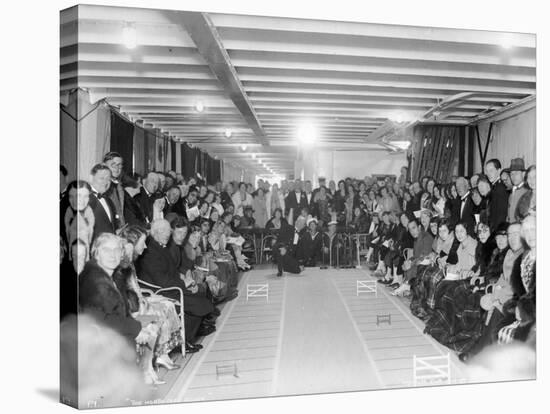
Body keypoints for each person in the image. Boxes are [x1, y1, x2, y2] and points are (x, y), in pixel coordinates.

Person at [78, 233, 161, 385]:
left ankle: (144, 373)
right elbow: (100, 320)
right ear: (96, 253)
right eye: (106, 250)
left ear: (122, 253)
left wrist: (140, 328)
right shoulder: (92, 280)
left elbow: (123, 313)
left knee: (151, 325)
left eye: (117, 250)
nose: (112, 254)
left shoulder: (116, 276)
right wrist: (136, 329)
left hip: (114, 334)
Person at [115, 225, 189, 366]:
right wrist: (145, 301)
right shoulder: (122, 266)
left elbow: (135, 288)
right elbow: (128, 295)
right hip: (131, 310)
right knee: (158, 314)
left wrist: (147, 299)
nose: (145, 247)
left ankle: (163, 353)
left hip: (137, 300)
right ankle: (157, 356)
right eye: (142, 243)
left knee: (167, 304)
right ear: (133, 243)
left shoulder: (130, 263)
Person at [135, 219, 217, 343]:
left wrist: (184, 281)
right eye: (166, 232)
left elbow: (172, 270)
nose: (168, 235)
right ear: (157, 232)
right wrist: (183, 284)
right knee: (196, 299)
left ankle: (190, 335)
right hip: (160, 289)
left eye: (169, 232)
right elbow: (161, 280)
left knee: (198, 294)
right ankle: (185, 340)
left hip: (169, 284)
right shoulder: (151, 252)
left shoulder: (160, 246)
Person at [63, 180, 94, 256]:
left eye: (85, 196)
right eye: (72, 196)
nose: (79, 200)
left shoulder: (91, 211)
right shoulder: (64, 211)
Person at [88, 164, 119, 241]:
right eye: (102, 178)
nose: (106, 182)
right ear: (91, 178)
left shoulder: (109, 201)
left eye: (108, 179)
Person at [103, 152, 127, 227]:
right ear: (104, 166)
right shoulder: (102, 186)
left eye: (119, 165)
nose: (117, 168)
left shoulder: (119, 186)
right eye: (113, 165)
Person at [484, 159, 509, 231]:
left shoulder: (500, 188)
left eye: (491, 171)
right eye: (487, 171)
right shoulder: (495, 187)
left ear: (499, 171)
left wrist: (496, 233)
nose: (488, 174)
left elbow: (501, 215)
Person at [507, 158, 528, 223]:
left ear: (523, 174)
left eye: (516, 173)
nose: (513, 176)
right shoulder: (512, 191)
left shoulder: (526, 192)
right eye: (511, 174)